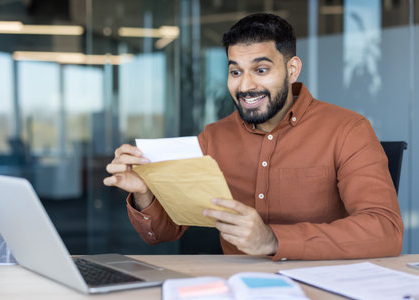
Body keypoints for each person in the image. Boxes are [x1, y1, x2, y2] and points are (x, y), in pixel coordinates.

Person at [104, 13, 403, 260]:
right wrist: (145, 192)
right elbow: (165, 232)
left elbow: (385, 231)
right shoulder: (213, 138)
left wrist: (273, 240)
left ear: (292, 69)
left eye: (260, 69)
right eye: (235, 72)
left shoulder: (348, 130)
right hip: (236, 286)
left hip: (322, 283)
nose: (246, 85)